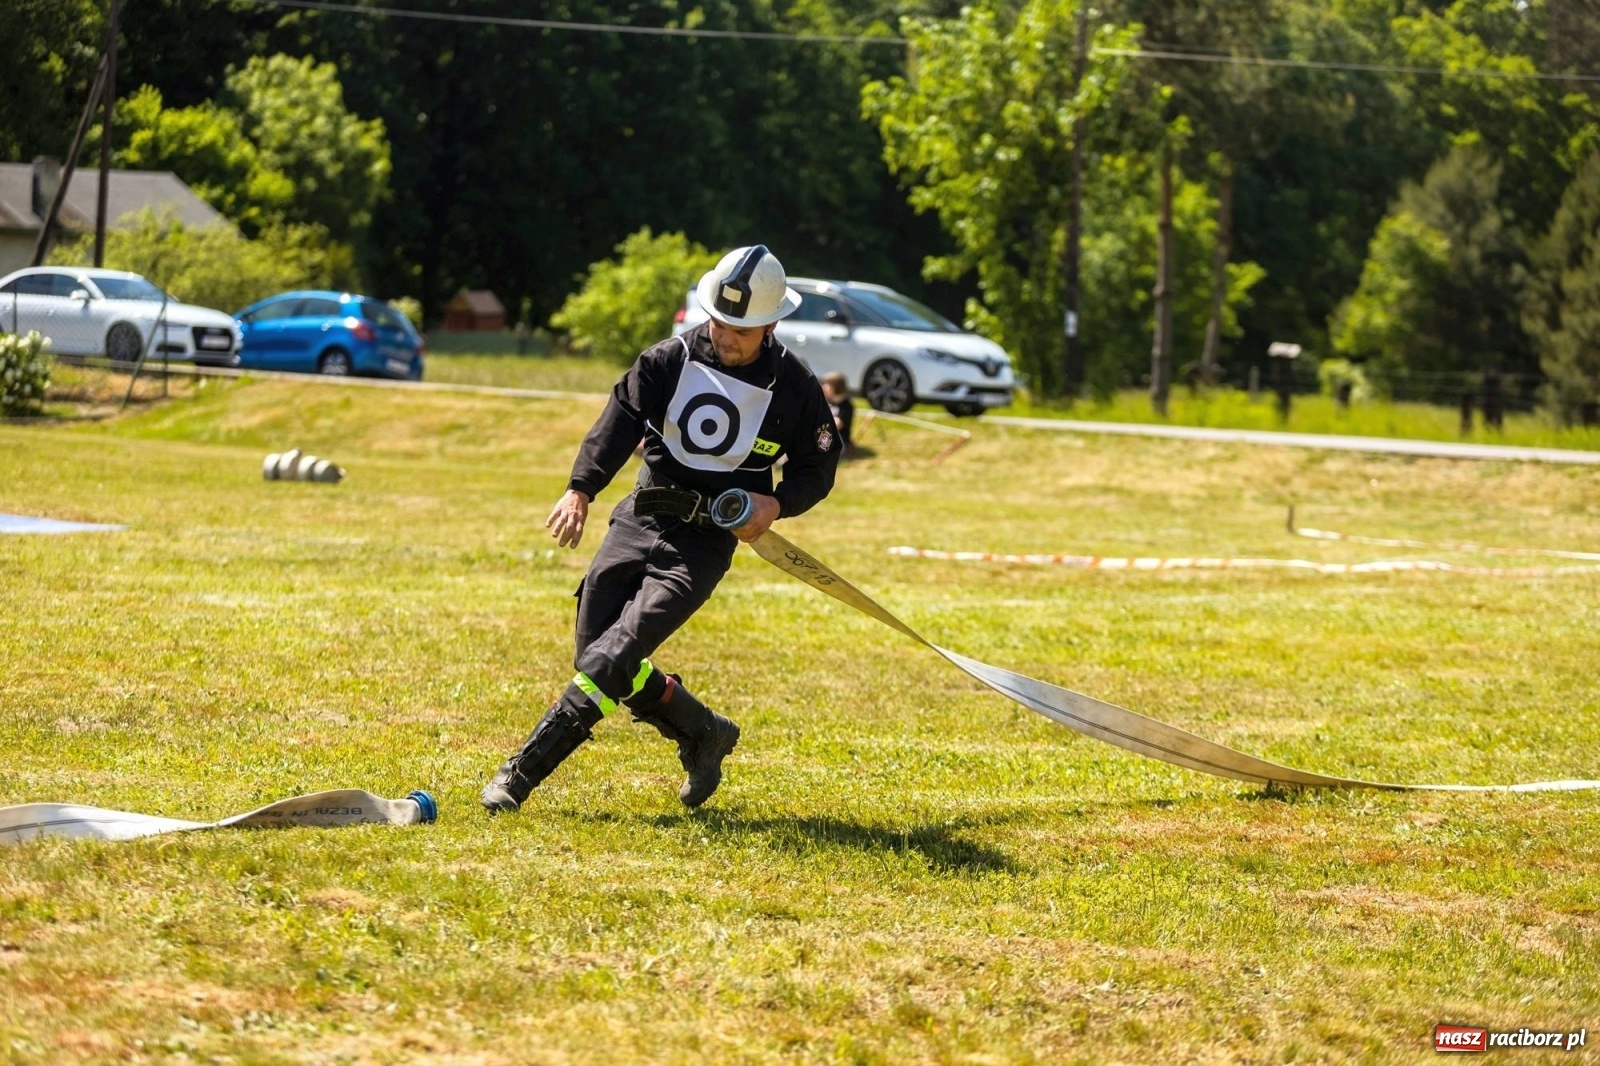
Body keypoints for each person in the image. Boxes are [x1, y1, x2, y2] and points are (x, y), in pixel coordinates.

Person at [481, 245, 841, 813]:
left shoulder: (795, 386)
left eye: (741, 330)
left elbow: (818, 468)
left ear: (771, 324)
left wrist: (774, 504)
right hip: (640, 516)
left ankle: (520, 774)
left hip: (701, 544)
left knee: (615, 654)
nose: (725, 337)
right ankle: (702, 731)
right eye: (720, 322)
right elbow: (619, 420)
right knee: (595, 650)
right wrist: (581, 488)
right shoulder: (667, 360)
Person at [820, 371, 855, 458]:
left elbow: (836, 425)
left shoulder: (846, 406)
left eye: (827, 385)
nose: (823, 387)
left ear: (836, 386)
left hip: (839, 441)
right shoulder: (827, 402)